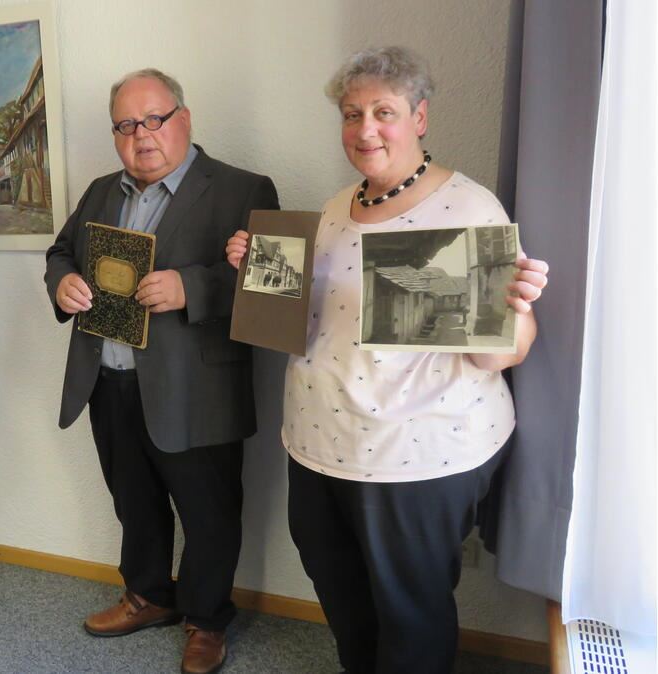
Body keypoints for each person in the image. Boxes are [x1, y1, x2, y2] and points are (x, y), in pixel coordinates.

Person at [227, 46, 550, 673]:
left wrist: (518, 306)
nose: (365, 129)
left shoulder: (468, 211)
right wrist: (258, 269)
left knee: (410, 611)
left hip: (418, 454)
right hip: (320, 443)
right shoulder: (333, 208)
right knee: (340, 591)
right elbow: (309, 314)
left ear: (420, 117)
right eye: (352, 114)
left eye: (384, 112)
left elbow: (502, 355)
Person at [45, 68, 280, 674]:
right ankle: (147, 595)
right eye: (125, 125)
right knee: (135, 502)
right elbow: (62, 251)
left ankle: (206, 620)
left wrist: (192, 287)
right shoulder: (101, 191)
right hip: (110, 380)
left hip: (198, 389)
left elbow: (275, 286)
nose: (141, 135)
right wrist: (63, 282)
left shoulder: (243, 188)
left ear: (184, 118)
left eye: (154, 119)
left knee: (209, 514)